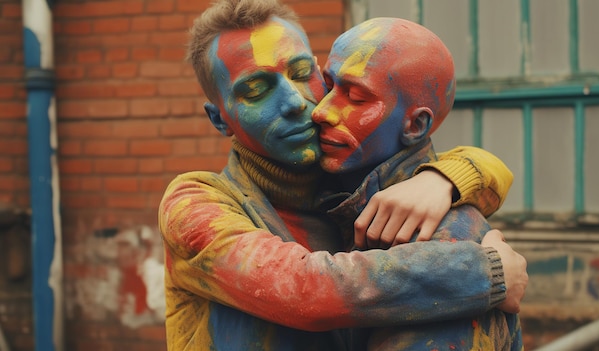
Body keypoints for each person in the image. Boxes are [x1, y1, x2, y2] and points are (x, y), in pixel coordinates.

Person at [158, 0, 527, 349]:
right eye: (256, 91)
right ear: (220, 118)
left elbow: (473, 162)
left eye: (302, 73)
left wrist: (443, 179)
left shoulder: (351, 179)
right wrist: (488, 272)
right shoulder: (193, 203)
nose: (294, 102)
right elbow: (303, 291)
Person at [312, 17, 524, 350]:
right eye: (327, 85)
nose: (322, 111)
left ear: (415, 125)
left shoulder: (445, 241)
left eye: (355, 98)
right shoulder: (320, 190)